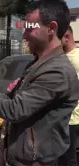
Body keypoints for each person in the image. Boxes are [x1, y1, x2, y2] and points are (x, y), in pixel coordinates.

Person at [0, 0, 79, 165]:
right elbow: (11, 99)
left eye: (29, 28)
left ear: (51, 28)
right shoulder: (37, 64)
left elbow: (16, 109)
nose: (24, 36)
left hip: (37, 162)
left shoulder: (58, 72)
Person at [58, 26, 79, 166]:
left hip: (71, 118)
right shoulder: (65, 58)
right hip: (71, 118)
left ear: (67, 37)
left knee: (68, 159)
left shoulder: (72, 60)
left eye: (58, 38)